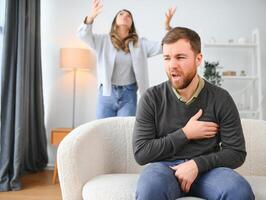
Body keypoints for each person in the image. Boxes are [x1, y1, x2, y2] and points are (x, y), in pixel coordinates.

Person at [133, 27, 255, 200]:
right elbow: (141, 153)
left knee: (239, 191)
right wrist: (185, 134)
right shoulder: (151, 98)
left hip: (208, 171)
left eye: (180, 57)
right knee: (150, 189)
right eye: (167, 58)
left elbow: (236, 152)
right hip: (164, 169)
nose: (172, 65)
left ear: (198, 59)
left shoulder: (221, 98)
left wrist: (197, 164)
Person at [77, 0, 176, 119]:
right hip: (107, 93)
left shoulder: (140, 44)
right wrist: (91, 17)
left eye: (128, 16)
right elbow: (83, 35)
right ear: (115, 22)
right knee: (102, 131)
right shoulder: (102, 41)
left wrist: (167, 26)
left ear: (131, 24)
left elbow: (163, 46)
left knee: (124, 131)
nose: (125, 16)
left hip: (128, 95)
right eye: (121, 14)